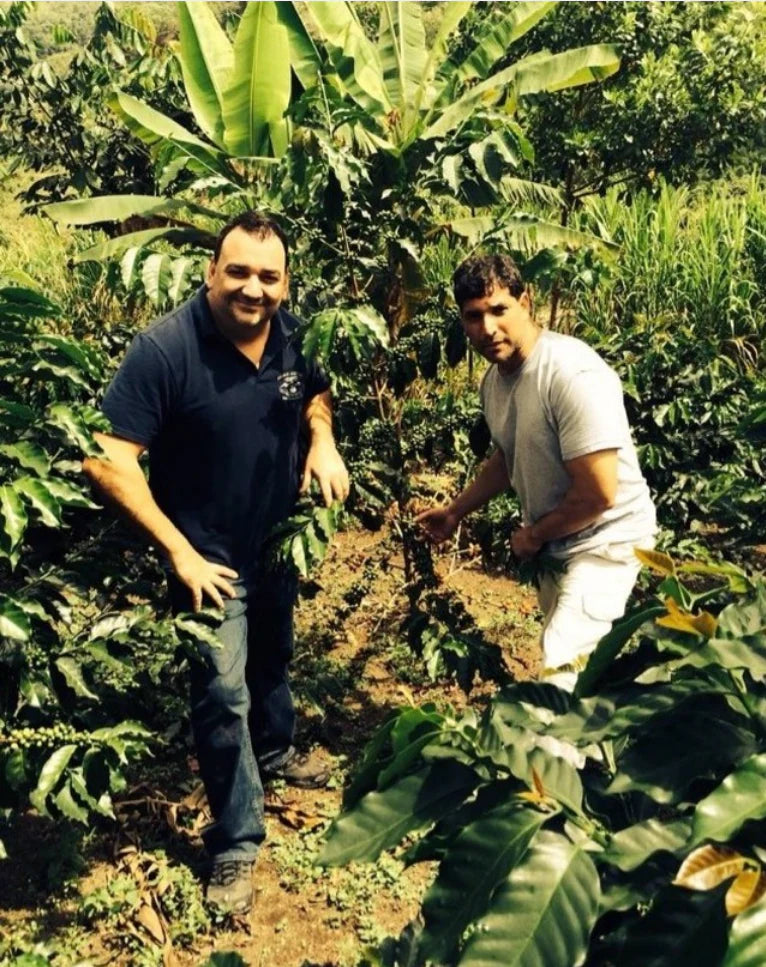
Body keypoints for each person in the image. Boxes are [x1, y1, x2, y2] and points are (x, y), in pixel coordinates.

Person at [83, 212, 349, 915]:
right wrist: (178, 551)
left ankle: (279, 750)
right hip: (207, 560)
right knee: (220, 695)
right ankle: (235, 839)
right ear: (211, 272)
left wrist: (322, 442)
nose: (252, 289)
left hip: (273, 542)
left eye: (268, 276)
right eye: (238, 272)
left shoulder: (295, 337)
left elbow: (317, 392)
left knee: (273, 656)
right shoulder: (167, 350)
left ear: (285, 283)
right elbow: (107, 458)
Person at [418, 253, 656, 691]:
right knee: (585, 673)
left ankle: (551, 759)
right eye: (473, 317)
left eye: (499, 310)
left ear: (525, 302)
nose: (487, 328)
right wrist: (456, 511)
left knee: (560, 672)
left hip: (607, 544)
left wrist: (533, 535)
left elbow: (598, 493)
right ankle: (598, 753)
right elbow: (508, 458)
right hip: (559, 545)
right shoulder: (494, 382)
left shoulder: (569, 372)